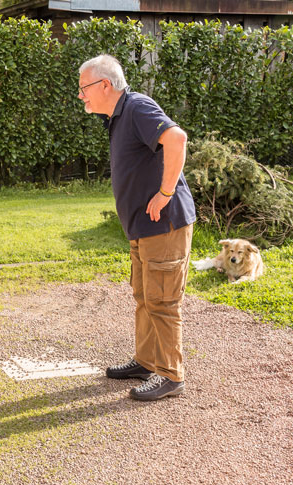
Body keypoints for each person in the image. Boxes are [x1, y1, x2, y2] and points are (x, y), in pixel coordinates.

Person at [77, 54, 196, 402]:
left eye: (84, 88)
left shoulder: (138, 107)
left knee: (162, 301)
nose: (81, 96)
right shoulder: (119, 115)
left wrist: (165, 192)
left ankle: (171, 376)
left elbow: (177, 139)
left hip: (164, 225)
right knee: (145, 297)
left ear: (104, 85)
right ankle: (146, 362)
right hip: (143, 228)